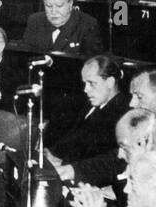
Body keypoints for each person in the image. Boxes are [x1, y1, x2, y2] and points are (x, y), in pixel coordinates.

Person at [46, 54, 131, 185]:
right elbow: (75, 138)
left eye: (91, 83)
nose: (86, 89)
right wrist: (53, 156)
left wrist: (62, 163)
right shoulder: (91, 104)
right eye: (85, 83)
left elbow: (101, 159)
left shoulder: (122, 115)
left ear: (110, 82)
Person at [22, 0, 103, 54]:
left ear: (70, 3)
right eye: (48, 6)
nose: (53, 12)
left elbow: (92, 64)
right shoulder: (35, 21)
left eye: (59, 6)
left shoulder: (87, 25)